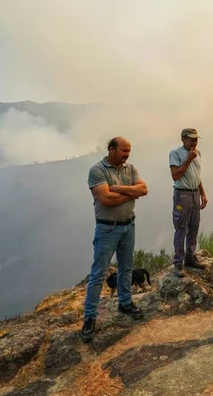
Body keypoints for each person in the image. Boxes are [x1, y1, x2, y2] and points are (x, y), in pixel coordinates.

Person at [80, 137, 149, 344]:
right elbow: (106, 200)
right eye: (123, 151)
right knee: (99, 274)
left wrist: (117, 188)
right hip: (107, 228)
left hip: (129, 225)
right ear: (111, 149)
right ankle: (89, 318)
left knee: (126, 268)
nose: (127, 154)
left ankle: (125, 303)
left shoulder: (131, 168)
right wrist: (131, 193)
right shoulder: (97, 170)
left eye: (129, 151)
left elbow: (144, 189)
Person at [168, 128, 208, 278]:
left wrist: (203, 193)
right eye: (191, 139)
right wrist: (189, 159)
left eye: (196, 139)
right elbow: (175, 175)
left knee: (194, 226)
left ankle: (190, 257)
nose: (194, 142)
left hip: (194, 193)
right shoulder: (175, 153)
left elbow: (197, 175)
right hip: (182, 194)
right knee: (181, 227)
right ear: (183, 139)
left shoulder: (198, 153)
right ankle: (178, 262)